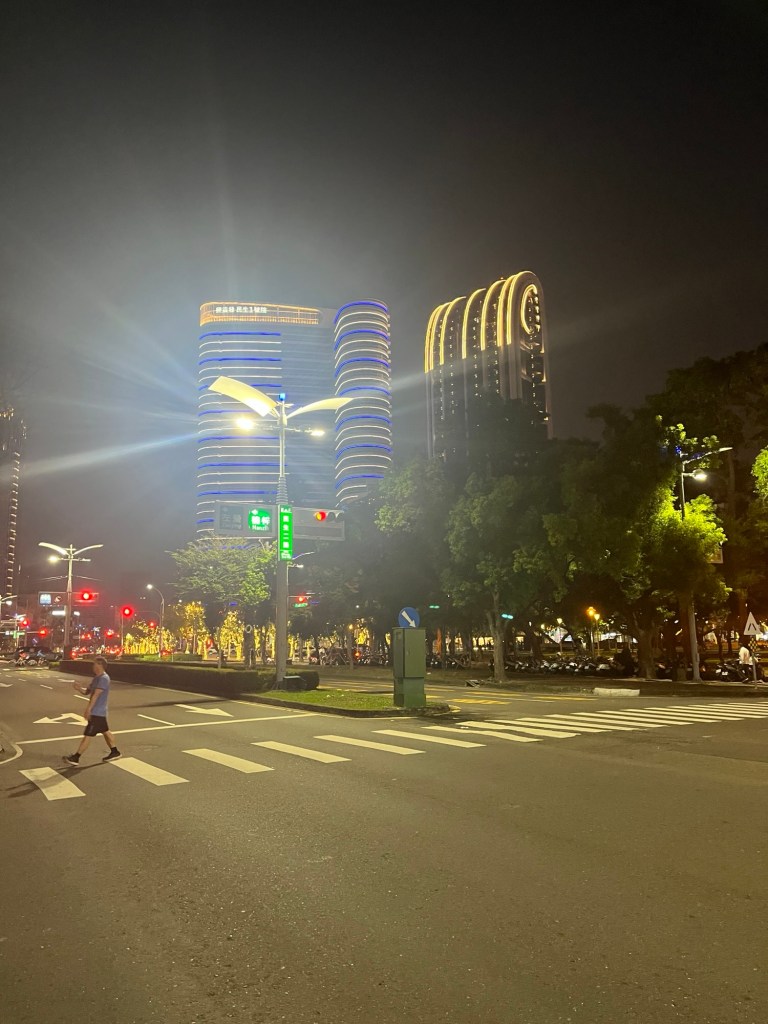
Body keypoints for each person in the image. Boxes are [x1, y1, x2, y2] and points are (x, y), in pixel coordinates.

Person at [64, 656, 121, 765]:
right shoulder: (96, 678)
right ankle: (115, 752)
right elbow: (87, 692)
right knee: (105, 731)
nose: (93, 666)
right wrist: (79, 689)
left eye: (94, 664)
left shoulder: (104, 678)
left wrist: (88, 709)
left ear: (100, 665)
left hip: (97, 712)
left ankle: (76, 757)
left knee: (88, 734)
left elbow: (96, 695)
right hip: (99, 712)